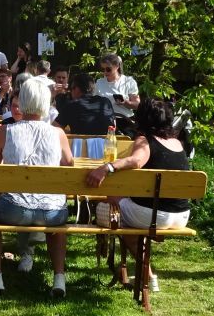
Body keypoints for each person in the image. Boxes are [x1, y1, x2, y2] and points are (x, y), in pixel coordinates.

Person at [86, 98, 192, 292]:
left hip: (152, 216)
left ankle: (147, 275)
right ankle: (144, 274)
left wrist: (107, 167)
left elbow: (136, 161)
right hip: (181, 215)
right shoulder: (177, 143)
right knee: (121, 208)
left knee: (110, 206)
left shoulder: (144, 140)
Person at [0, 79, 74, 296]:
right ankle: (59, 279)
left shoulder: (5, 131)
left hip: (14, 208)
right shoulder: (58, 134)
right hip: (52, 211)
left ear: (22, 101)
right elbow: (69, 165)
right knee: (57, 226)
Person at [94, 54, 140, 136]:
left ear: (117, 66)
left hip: (125, 121)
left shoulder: (128, 81)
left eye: (108, 69)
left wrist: (125, 102)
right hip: (105, 121)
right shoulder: (99, 83)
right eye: (103, 69)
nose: (105, 72)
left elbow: (137, 105)